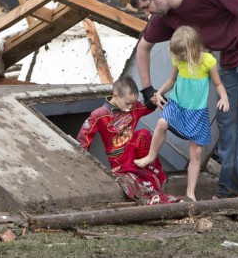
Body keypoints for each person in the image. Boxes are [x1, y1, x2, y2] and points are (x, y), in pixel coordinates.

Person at [130, 0, 238, 199]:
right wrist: (147, 89)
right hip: (229, 55)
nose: (146, 13)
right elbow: (143, 47)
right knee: (227, 119)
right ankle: (228, 188)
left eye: (146, 6)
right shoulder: (164, 17)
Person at [134, 26, 229, 202]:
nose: (180, 57)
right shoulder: (179, 61)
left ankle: (190, 192)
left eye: (183, 54)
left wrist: (223, 97)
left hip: (197, 112)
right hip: (177, 105)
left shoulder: (208, 61)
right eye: (177, 54)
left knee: (196, 152)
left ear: (193, 48)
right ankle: (151, 155)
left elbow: (218, 84)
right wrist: (159, 93)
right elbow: (172, 80)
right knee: (162, 123)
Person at [76, 76, 181, 205]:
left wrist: (153, 100)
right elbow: (83, 139)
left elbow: (146, 107)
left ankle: (147, 172)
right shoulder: (99, 115)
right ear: (115, 95)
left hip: (137, 155)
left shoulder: (134, 107)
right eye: (127, 103)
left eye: (133, 103)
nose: (130, 107)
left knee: (143, 134)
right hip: (118, 158)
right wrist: (82, 164)